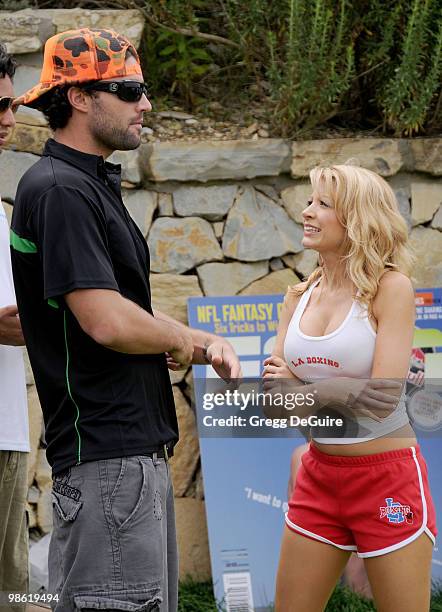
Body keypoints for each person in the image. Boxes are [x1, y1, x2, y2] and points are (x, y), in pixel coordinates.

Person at [11, 28, 241, 612]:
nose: (146, 104)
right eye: (129, 89)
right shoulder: (61, 188)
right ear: (81, 98)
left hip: (123, 459)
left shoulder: (81, 182)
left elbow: (121, 306)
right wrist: (187, 339)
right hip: (107, 462)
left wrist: (198, 338)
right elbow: (107, 321)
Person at [263, 163, 437, 611]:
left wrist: (308, 390)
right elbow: (273, 407)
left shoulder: (391, 288)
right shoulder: (296, 297)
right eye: (308, 201)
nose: (307, 212)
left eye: (323, 204)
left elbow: (382, 400)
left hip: (386, 477)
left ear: (357, 218)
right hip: (318, 475)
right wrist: (327, 392)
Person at [0, 43, 30, 607]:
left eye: (10, 106)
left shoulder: (1, 212)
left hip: (8, 433)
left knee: (13, 592)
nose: (6, 120)